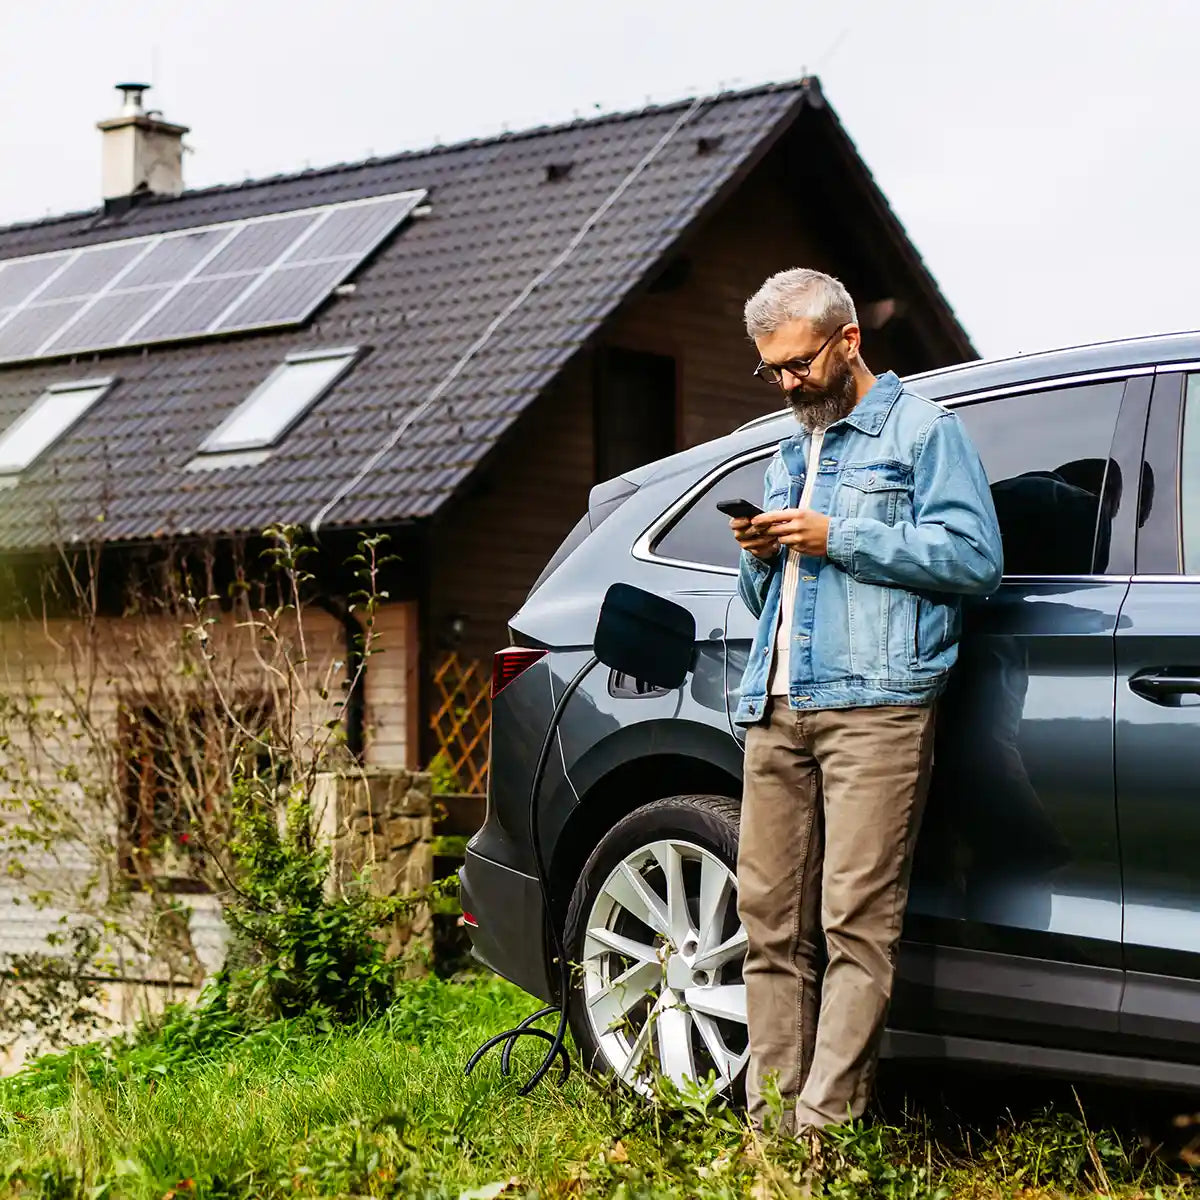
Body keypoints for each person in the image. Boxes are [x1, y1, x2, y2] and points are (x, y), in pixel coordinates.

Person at [730, 268, 1003, 1134]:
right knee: (768, 926)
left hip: (877, 707)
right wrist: (760, 551)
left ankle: (822, 1137)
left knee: (855, 925)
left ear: (848, 341)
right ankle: (768, 1132)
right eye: (770, 370)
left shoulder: (925, 433)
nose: (785, 384)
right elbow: (759, 599)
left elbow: (972, 560)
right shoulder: (788, 448)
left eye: (797, 365)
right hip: (776, 706)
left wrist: (836, 534)